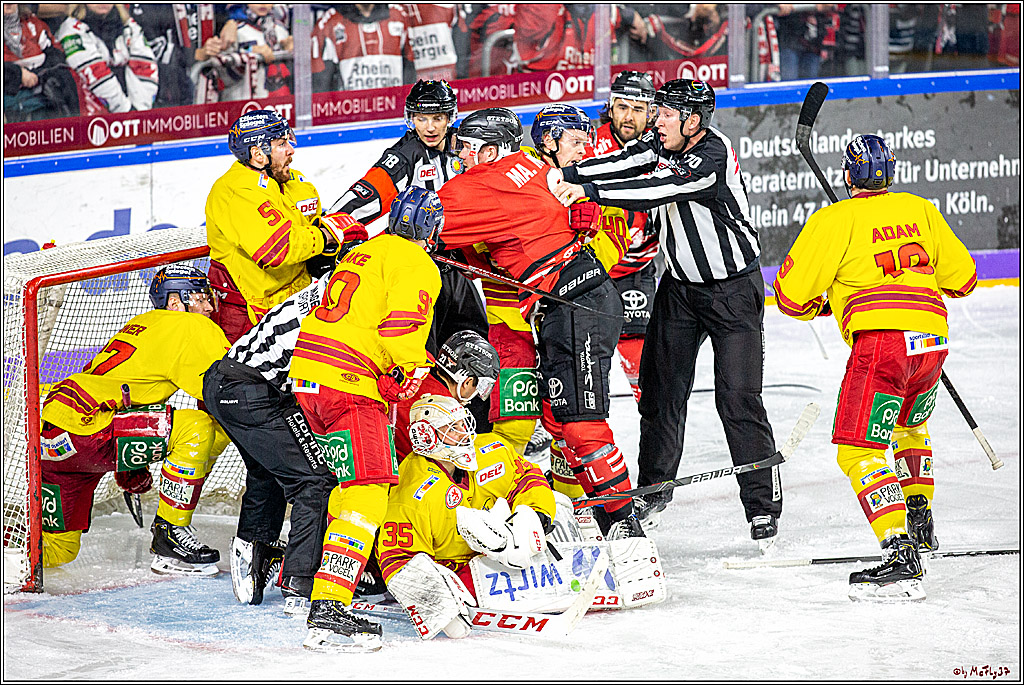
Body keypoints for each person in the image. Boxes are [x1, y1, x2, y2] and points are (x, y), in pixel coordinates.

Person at [553, 80, 782, 549]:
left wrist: (589, 193)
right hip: (678, 291)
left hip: (732, 292)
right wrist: (574, 174)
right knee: (659, 395)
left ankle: (762, 507)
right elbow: (632, 159)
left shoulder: (712, 156)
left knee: (737, 399)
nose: (655, 121)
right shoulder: (665, 140)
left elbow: (659, 187)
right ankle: (654, 491)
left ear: (693, 121)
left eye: (665, 114)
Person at [773, 134, 977, 601]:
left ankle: (899, 551)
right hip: (932, 342)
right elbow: (963, 278)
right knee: (908, 427)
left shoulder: (833, 219)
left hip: (881, 347)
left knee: (857, 450)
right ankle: (920, 521)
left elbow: (790, 297)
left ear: (847, 175)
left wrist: (833, 304)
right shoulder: (920, 209)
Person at [436, 107, 643, 540]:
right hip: (572, 303)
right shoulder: (530, 165)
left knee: (580, 423)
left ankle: (624, 527)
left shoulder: (486, 181)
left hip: (571, 305)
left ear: (491, 149)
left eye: (468, 150)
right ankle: (584, 514)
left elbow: (418, 221)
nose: (461, 160)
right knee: (556, 419)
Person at [289, 185, 443, 653]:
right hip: (347, 385)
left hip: (310, 379)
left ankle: (330, 592)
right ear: (429, 228)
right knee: (370, 490)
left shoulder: (366, 251)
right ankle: (329, 608)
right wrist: (416, 366)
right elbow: (400, 332)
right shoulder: (418, 263)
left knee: (351, 487)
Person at [203, 220, 369, 613]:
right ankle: (300, 581)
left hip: (232, 385)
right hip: (250, 393)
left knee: (272, 470)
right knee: (315, 478)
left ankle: (251, 553)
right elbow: (319, 386)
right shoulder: (336, 309)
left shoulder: (324, 292)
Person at [39, 265, 231, 575]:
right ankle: (170, 538)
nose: (209, 306)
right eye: (199, 296)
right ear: (174, 302)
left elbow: (127, 395)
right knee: (199, 427)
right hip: (90, 429)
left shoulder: (141, 323)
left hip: (52, 434)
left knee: (58, 550)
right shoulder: (191, 326)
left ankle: (11, 559)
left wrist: (130, 463)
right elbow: (227, 390)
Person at [328, 79, 488, 363]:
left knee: (474, 338)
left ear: (450, 117)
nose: (429, 127)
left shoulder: (466, 147)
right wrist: (330, 228)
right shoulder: (404, 154)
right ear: (410, 118)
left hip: (459, 262)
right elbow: (367, 193)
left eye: (437, 118)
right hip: (418, 266)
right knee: (426, 348)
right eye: (421, 118)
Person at [378, 394, 556, 641]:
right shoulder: (411, 492)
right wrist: (437, 606)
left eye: (464, 423)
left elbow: (526, 477)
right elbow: (397, 559)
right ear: (428, 438)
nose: (465, 433)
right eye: (453, 428)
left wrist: (538, 513)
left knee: (561, 505)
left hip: (507, 550)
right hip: (461, 578)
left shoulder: (491, 448)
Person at [205, 108, 343, 344]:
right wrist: (326, 236)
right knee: (244, 379)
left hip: (299, 301)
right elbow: (278, 250)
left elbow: (312, 230)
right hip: (250, 314)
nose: (291, 150)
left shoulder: (292, 181)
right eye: (281, 143)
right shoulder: (235, 191)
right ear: (258, 154)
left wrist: (332, 245)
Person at [589, 70, 659, 406]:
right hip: (594, 271)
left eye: (637, 108)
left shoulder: (664, 147)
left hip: (637, 267)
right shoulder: (589, 145)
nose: (628, 116)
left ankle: (653, 417)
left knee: (640, 351)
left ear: (651, 112)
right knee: (588, 353)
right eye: (621, 107)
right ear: (610, 107)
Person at [55, 3, 158, 113]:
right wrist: (125, 111)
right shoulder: (71, 30)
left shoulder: (129, 25)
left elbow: (146, 66)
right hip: (88, 109)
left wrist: (141, 110)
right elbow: (96, 74)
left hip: (132, 107)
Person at [310, 3, 411, 92]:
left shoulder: (400, 16)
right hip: (351, 109)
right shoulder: (329, 22)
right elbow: (320, 85)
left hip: (394, 109)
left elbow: (411, 68)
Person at [3, 3, 79, 122]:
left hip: (41, 89)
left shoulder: (32, 23)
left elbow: (54, 51)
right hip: (10, 94)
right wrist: (18, 74)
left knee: (65, 78)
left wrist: (45, 74)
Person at [218, 3, 293, 101]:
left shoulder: (281, 30)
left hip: (278, 100)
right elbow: (224, 72)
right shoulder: (236, 30)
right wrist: (251, 51)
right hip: (242, 101)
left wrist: (292, 48)